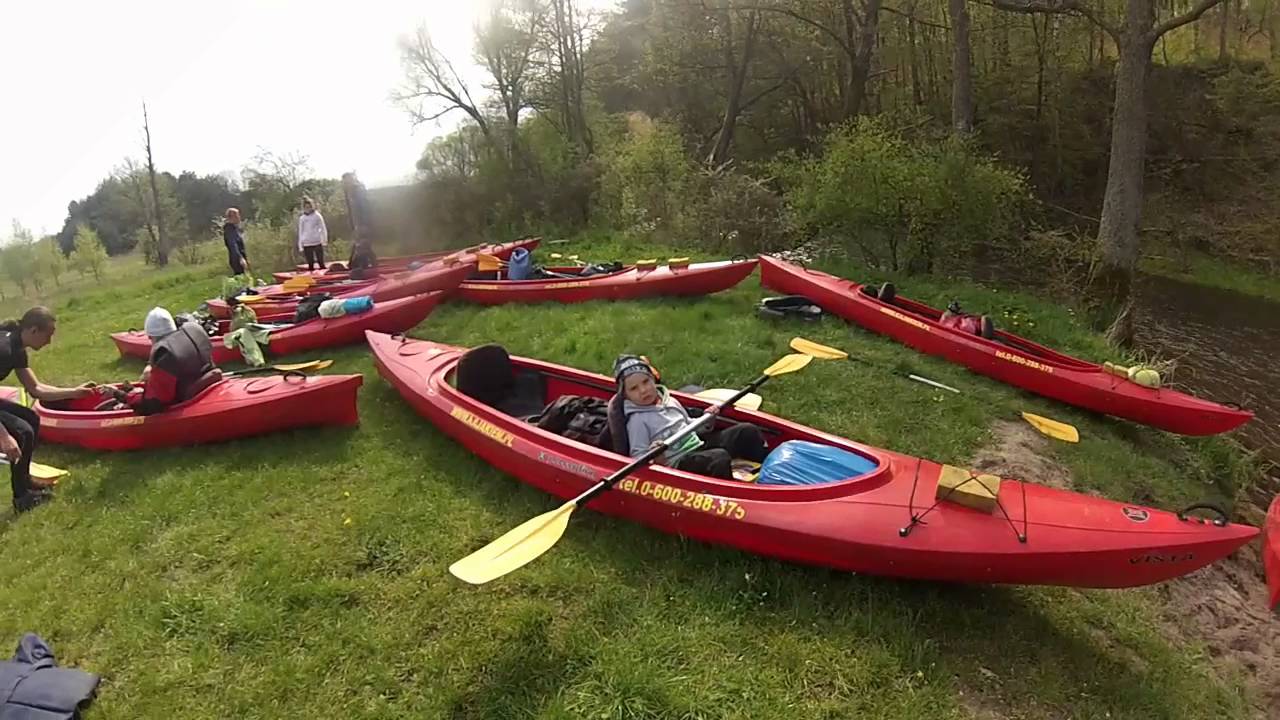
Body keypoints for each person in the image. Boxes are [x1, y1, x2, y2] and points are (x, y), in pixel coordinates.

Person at [0, 307, 96, 512]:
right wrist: (4, 436)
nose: (50, 341)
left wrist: (75, 392)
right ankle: (22, 499)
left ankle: (25, 482)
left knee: (31, 419)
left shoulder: (17, 347)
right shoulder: (4, 348)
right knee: (22, 431)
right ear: (34, 330)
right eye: (49, 334)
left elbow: (36, 389)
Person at [612, 355, 767, 480]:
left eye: (646, 381)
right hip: (678, 461)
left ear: (653, 379)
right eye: (634, 388)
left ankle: (766, 472)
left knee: (746, 431)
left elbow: (689, 425)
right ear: (625, 395)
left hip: (696, 443)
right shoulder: (637, 420)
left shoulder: (669, 400)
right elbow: (637, 457)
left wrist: (707, 420)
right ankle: (733, 492)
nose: (643, 390)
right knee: (718, 458)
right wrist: (656, 456)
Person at [122, 308, 221, 416]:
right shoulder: (192, 330)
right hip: (211, 382)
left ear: (150, 336)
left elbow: (152, 405)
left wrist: (124, 396)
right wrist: (151, 365)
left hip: (188, 397)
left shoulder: (165, 355)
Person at [296, 197, 329, 271]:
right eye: (306, 207)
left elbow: (323, 228)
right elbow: (301, 231)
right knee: (310, 264)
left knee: (321, 262)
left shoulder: (317, 216)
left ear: (312, 207)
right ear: (304, 208)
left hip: (317, 241)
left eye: (309, 207)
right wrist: (300, 245)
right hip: (307, 242)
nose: (308, 209)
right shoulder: (302, 218)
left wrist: (324, 240)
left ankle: (323, 277)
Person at [223, 207, 249, 276]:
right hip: (236, 259)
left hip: (237, 258)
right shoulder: (230, 230)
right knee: (241, 279)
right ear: (232, 217)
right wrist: (240, 258)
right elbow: (233, 245)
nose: (239, 217)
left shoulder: (234, 229)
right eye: (238, 215)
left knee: (242, 279)